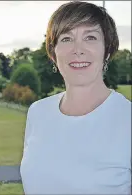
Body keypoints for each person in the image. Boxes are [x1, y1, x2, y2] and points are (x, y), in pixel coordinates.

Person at [20, 1, 131, 194]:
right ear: (53, 53)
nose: (77, 49)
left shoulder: (127, 119)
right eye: (66, 39)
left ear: (107, 50)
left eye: (90, 37)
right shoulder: (38, 112)